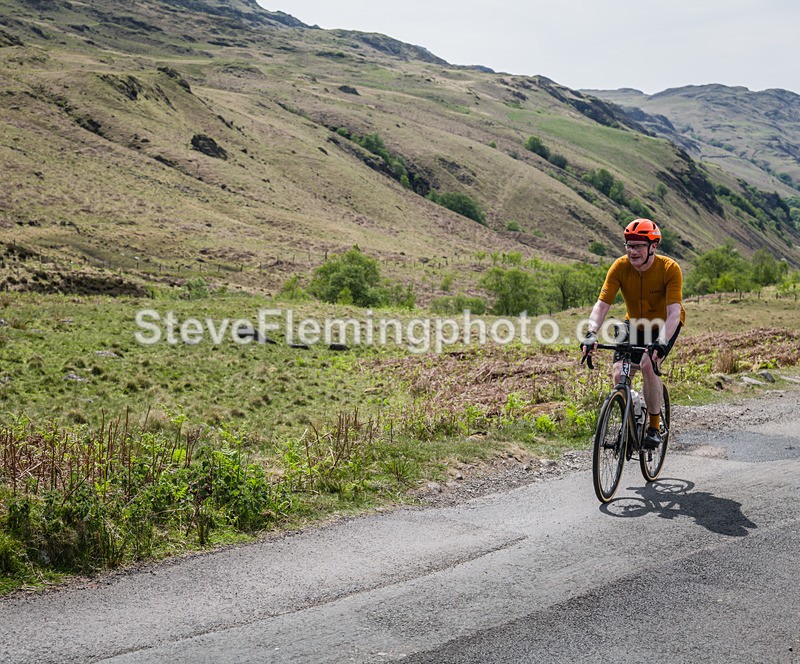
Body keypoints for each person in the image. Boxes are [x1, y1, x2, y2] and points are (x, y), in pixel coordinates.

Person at [580, 219, 685, 449]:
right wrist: (591, 333)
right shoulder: (619, 267)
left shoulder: (669, 269)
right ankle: (634, 410)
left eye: (638, 246)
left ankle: (655, 427)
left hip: (663, 325)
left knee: (648, 363)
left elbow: (674, 313)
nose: (632, 251)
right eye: (628, 245)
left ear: (652, 247)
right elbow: (602, 305)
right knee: (619, 375)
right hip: (633, 323)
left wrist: (661, 343)